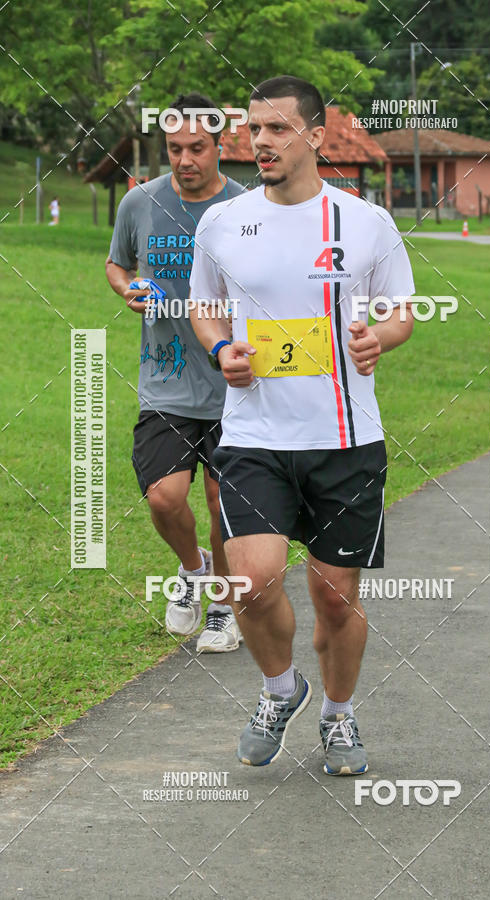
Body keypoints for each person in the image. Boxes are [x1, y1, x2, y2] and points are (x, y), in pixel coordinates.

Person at [189, 75, 415, 775]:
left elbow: (401, 308)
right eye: (253, 129)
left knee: (335, 600)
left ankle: (339, 715)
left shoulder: (365, 222)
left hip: (345, 441)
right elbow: (204, 307)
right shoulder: (222, 221)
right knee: (250, 584)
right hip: (255, 436)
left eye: (277, 129)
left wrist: (383, 337)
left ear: (316, 136)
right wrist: (222, 348)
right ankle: (280, 690)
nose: (259, 142)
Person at [105, 92, 246, 651]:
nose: (184, 159)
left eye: (196, 148)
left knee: (221, 501)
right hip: (164, 380)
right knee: (164, 497)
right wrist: (128, 289)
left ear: (218, 147)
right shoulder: (139, 204)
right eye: (174, 149)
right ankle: (194, 568)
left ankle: (222, 605)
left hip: (235, 385)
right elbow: (118, 264)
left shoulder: (245, 209)